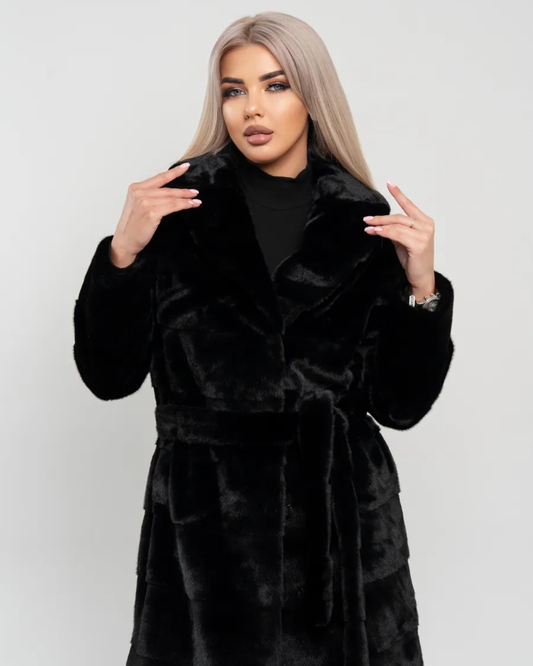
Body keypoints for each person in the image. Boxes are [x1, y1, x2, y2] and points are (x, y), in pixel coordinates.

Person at [73, 11, 455, 666]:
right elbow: (108, 376)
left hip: (341, 537)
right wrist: (122, 256)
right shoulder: (175, 212)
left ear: (311, 95)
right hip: (205, 534)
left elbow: (399, 406)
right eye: (234, 89)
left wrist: (421, 288)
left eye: (275, 85)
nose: (251, 107)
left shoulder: (364, 226)